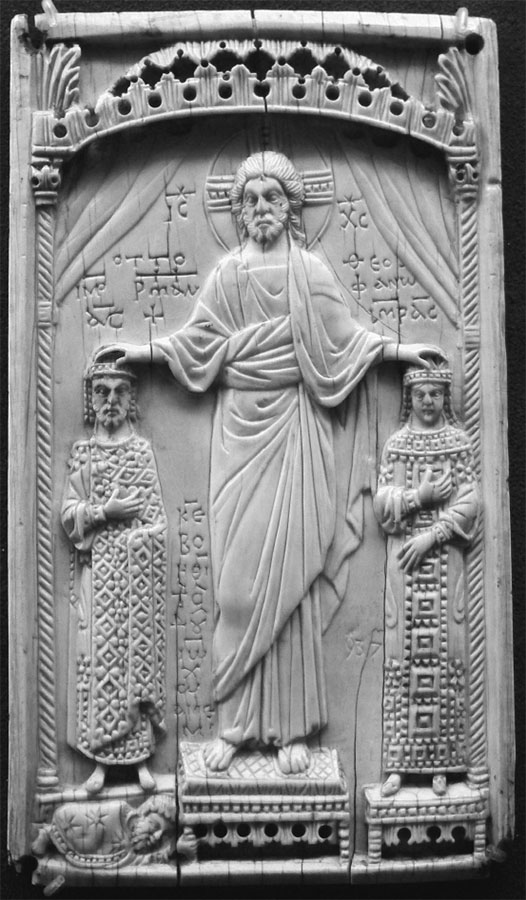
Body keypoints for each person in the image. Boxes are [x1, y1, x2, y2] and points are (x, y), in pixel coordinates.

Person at [96, 151, 444, 775]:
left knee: (294, 585)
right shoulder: (228, 276)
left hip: (297, 429)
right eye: (250, 199)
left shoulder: (309, 271)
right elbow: (193, 344)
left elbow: (349, 342)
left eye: (272, 198)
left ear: (291, 207)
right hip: (238, 434)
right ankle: (236, 726)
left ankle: (292, 730)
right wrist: (140, 352)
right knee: (236, 590)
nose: (261, 208)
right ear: (238, 210)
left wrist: (403, 352)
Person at [373, 360, 479, 797]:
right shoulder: (397, 445)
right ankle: (399, 765)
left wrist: (432, 535)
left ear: (445, 397)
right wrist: (419, 496)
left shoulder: (458, 443)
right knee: (402, 662)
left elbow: (471, 502)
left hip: (446, 566)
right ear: (409, 399)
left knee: (445, 658)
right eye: (421, 395)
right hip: (406, 572)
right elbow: (382, 504)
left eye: (436, 393)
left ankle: (445, 764)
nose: (429, 401)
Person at [62, 356, 167, 794]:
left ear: (131, 399)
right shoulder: (83, 453)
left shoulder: (140, 452)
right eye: (102, 392)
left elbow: (158, 522)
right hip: (97, 582)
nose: (110, 401)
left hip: (134, 584)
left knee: (133, 666)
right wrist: (106, 512)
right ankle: (101, 764)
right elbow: (68, 513)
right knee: (99, 665)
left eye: (119, 392)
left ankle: (140, 760)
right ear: (91, 399)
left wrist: (137, 539)